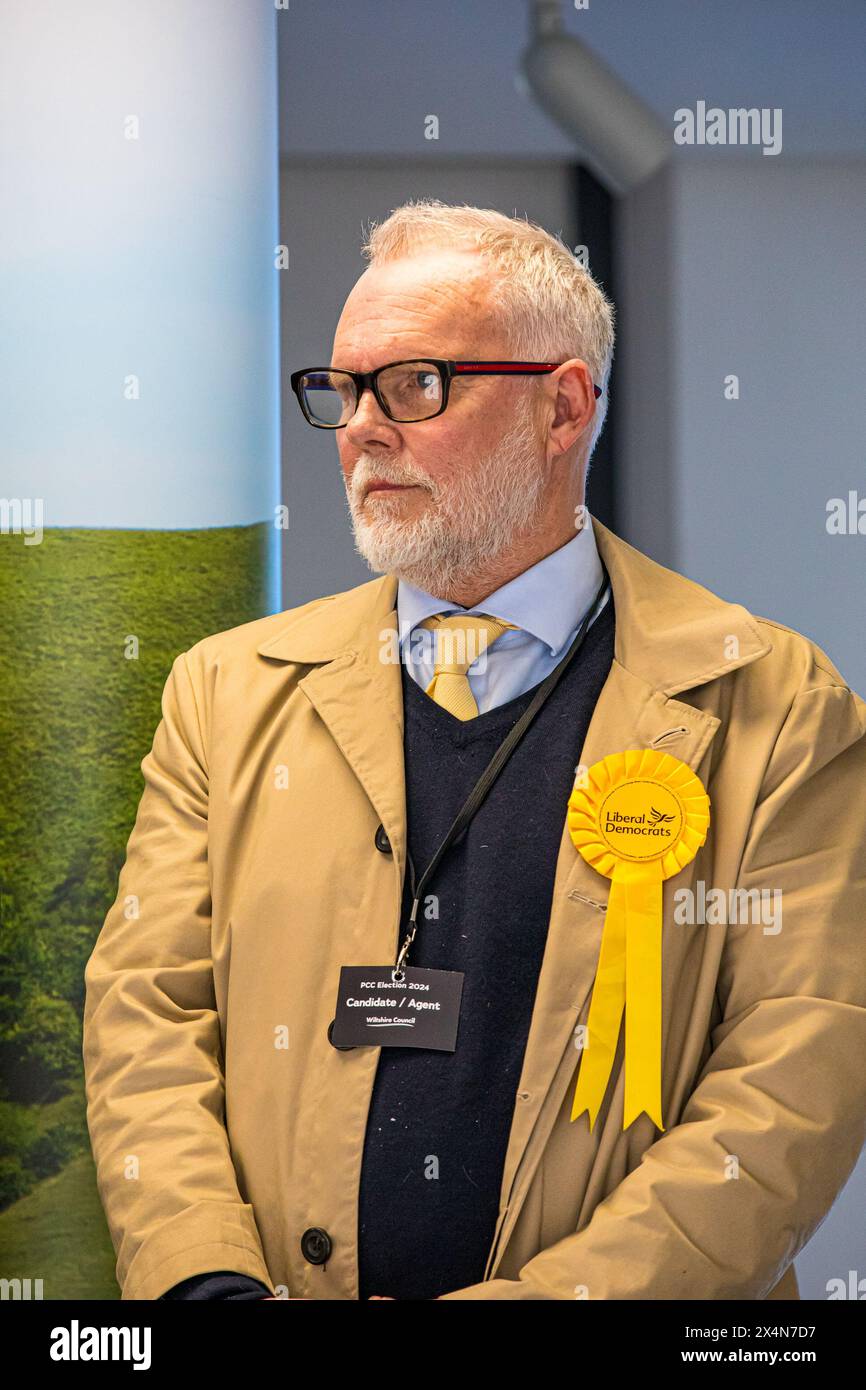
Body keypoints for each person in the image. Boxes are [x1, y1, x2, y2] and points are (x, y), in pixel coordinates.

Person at [83, 200, 866, 1301]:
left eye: (413, 384)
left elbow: (797, 1072)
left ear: (560, 407)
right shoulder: (225, 690)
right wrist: (201, 1282)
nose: (360, 426)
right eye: (344, 388)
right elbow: (147, 1012)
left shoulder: (772, 704)